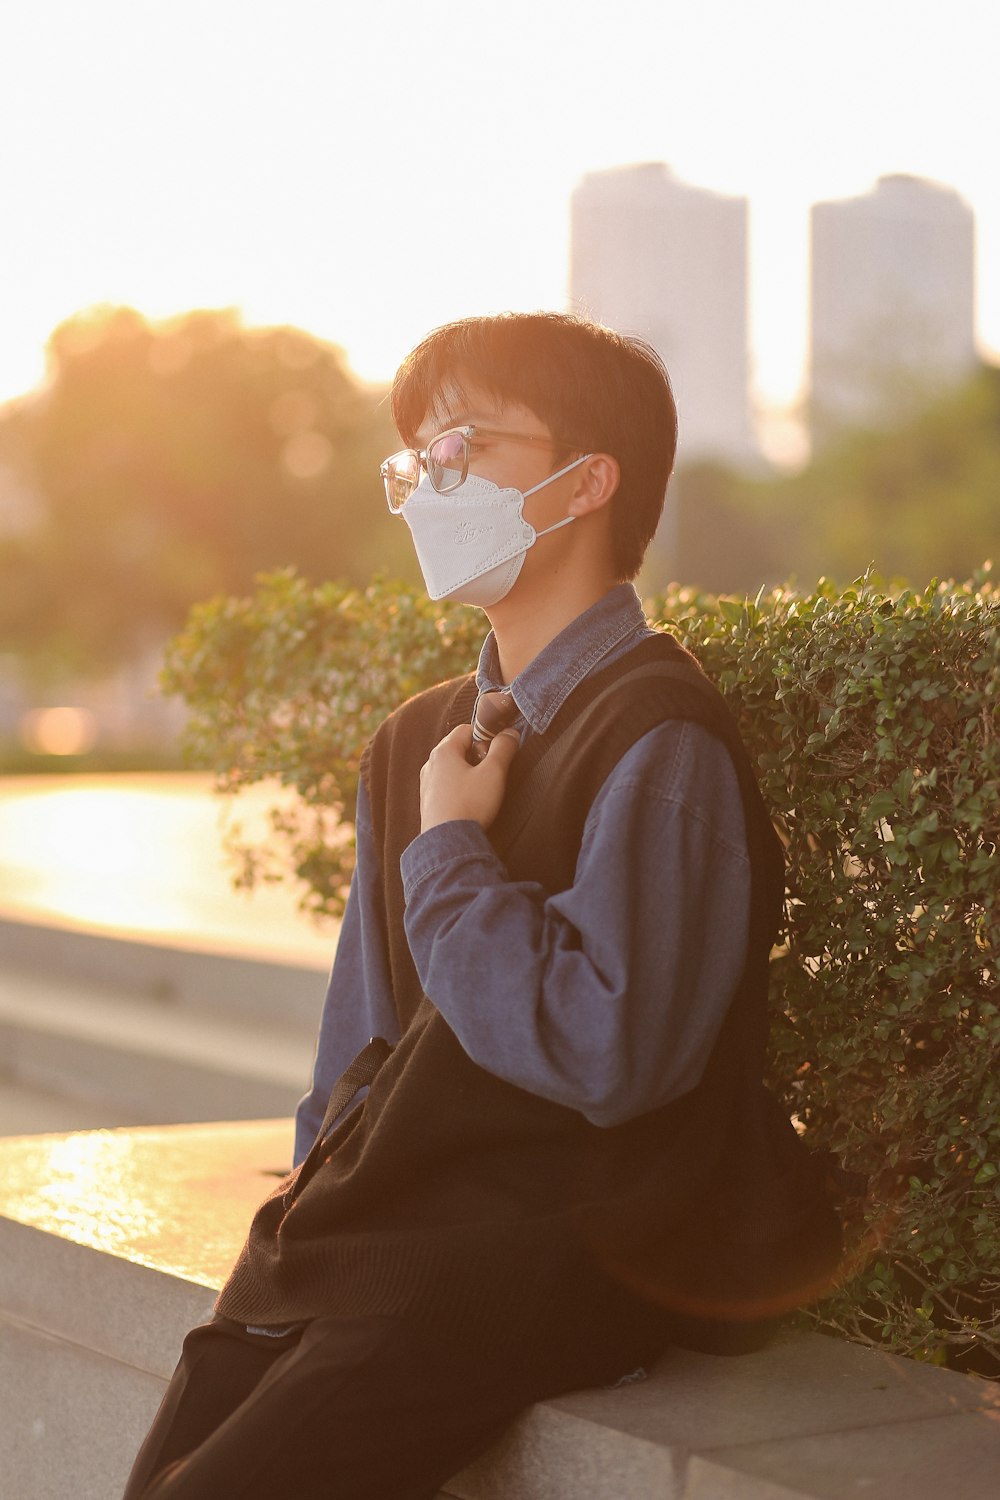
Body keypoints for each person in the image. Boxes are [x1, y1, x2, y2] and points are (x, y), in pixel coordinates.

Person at [124, 313, 841, 1500]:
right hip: (379, 1235)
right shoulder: (419, 736)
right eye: (416, 457)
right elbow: (362, 1037)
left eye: (462, 447)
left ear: (585, 482)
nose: (426, 483)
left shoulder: (657, 735)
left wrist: (453, 845)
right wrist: (312, 1205)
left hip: (550, 1251)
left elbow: (607, 1051)